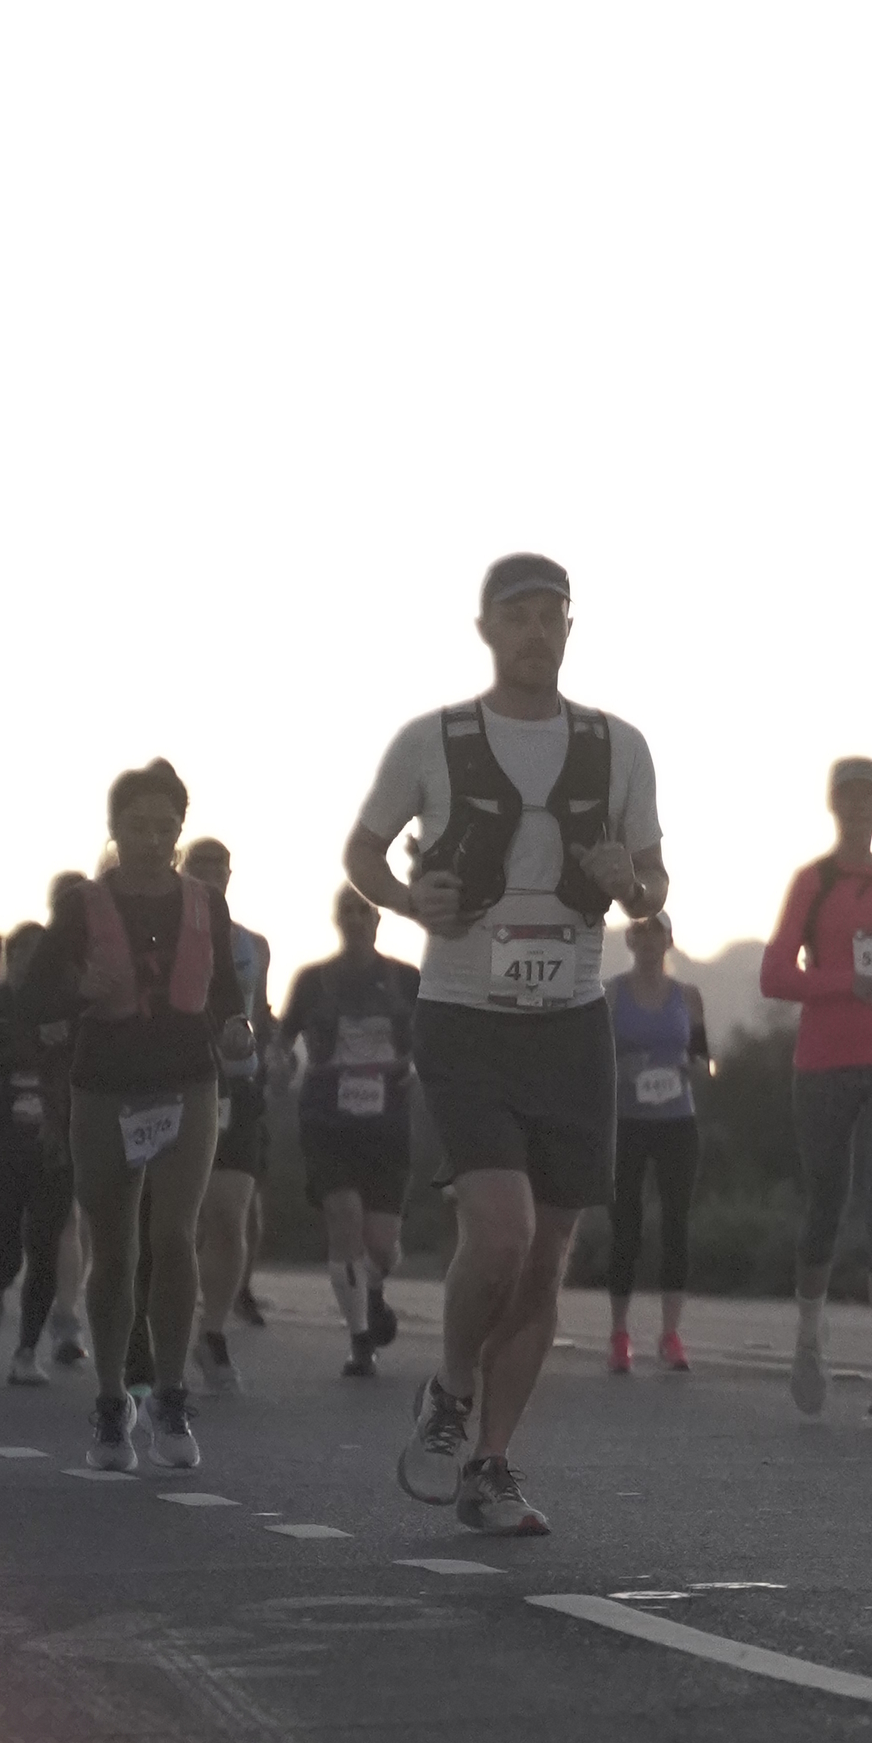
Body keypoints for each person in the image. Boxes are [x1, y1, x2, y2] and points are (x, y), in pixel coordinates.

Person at [345, 554, 666, 1534]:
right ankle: (449, 1388)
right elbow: (362, 852)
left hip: (570, 1023)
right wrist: (410, 900)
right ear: (486, 629)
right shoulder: (432, 740)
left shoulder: (618, 746)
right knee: (500, 1232)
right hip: (465, 1018)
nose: (534, 631)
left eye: (549, 615)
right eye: (516, 615)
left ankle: (491, 1463)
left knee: (546, 1256)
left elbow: (652, 884)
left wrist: (628, 882)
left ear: (570, 628)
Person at [15, 761, 249, 1471]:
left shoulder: (205, 903)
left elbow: (227, 990)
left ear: (179, 829)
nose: (151, 839)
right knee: (114, 1250)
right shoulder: (82, 906)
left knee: (174, 1237)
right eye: (137, 826)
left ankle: (171, 1395)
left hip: (186, 1083)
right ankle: (113, 1401)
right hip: (105, 1088)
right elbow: (33, 996)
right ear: (114, 829)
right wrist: (77, 990)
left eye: (164, 826)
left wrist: (236, 1026)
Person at [760, 757, 872, 1418]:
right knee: (826, 1207)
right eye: (851, 795)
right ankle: (810, 1338)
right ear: (834, 805)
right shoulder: (816, 881)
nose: (862, 804)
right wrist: (848, 983)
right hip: (826, 1066)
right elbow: (774, 975)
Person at [277, 885, 420, 1378]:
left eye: (365, 911)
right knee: (344, 1218)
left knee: (381, 1244)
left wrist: (416, 1066)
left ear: (377, 921)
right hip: (328, 1118)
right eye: (348, 911)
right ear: (337, 920)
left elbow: (432, 1038)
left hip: (387, 1121)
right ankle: (360, 1342)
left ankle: (372, 1290)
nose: (356, 919)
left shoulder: (406, 979)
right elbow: (283, 1038)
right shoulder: (313, 980)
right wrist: (278, 1064)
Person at [0, 922, 77, 1386]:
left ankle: (27, 1351)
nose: (31, 964)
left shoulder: (70, 1013)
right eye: (23, 954)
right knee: (6, 1253)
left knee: (46, 1248)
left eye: (40, 955)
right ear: (8, 959)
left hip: (53, 1146)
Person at [181, 838, 273, 1396]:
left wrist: (267, 1045)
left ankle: (212, 1331)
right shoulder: (163, 934)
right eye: (200, 867)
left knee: (229, 1213)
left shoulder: (252, 945)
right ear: (183, 871)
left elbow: (259, 1008)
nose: (212, 876)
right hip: (174, 1080)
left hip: (235, 1086)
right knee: (174, 1219)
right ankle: (158, 1325)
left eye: (220, 868)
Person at [603, 912, 708, 1372]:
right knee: (626, 1224)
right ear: (630, 940)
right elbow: (594, 1056)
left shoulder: (689, 997)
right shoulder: (611, 995)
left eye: (656, 934)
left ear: (669, 941)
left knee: (676, 1224)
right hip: (627, 1121)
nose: (648, 942)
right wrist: (620, 1069)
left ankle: (671, 1334)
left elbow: (704, 1059)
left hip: (677, 1119)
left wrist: (689, 1067)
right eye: (640, 934)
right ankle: (619, 1333)